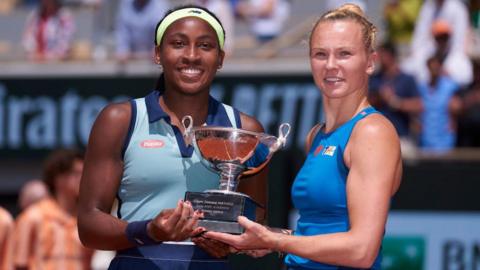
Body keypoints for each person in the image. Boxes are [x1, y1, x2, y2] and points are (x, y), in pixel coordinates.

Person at [205, 4, 402, 269]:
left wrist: (277, 242)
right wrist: (273, 236)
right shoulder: (317, 135)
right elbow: (320, 231)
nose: (331, 65)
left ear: (370, 62)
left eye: (344, 54)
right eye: (320, 54)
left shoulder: (372, 131)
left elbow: (361, 250)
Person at [78, 5, 267, 270]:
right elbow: (88, 224)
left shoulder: (244, 128)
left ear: (221, 58)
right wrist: (149, 231)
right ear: (158, 54)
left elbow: (255, 216)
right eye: (178, 44)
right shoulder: (119, 120)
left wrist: (231, 239)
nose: (191, 55)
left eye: (205, 46)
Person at [13, 149, 93, 270]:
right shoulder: (33, 217)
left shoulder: (87, 220)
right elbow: (18, 263)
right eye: (76, 174)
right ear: (58, 179)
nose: (83, 179)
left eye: (85, 173)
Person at [369, 42, 423, 157]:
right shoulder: (374, 79)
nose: (378, 58)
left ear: (391, 55)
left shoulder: (406, 79)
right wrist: (379, 97)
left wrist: (395, 102)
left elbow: (419, 105)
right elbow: (366, 103)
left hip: (401, 136)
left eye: (382, 54)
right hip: (376, 137)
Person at [418, 55, 461, 153]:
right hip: (426, 137)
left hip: (445, 137)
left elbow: (457, 107)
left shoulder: (450, 86)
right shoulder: (423, 87)